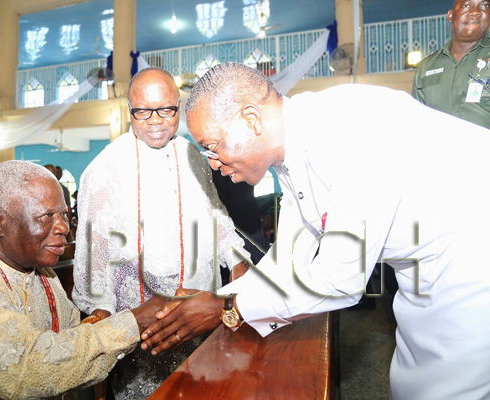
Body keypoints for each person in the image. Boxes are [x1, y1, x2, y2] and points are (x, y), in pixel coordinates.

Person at [140, 62, 490, 400]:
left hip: (474, 254)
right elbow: (287, 261)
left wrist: (226, 307)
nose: (213, 163)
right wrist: (215, 299)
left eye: (212, 146)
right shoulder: (294, 148)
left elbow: (340, 280)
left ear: (251, 119)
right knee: (412, 382)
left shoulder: (349, 131)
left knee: (448, 388)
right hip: (425, 264)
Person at [0, 160, 174, 400]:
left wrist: (97, 324)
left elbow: (62, 337)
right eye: (47, 216)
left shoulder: (38, 270)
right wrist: (133, 322)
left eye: (64, 214)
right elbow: (22, 369)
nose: (63, 227)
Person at [73, 67, 250, 399]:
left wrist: (236, 258)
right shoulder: (104, 167)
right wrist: (102, 313)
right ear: (130, 111)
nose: (155, 120)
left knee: (200, 388)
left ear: (179, 107)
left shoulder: (192, 156)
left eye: (166, 109)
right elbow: (92, 249)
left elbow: (216, 214)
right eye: (143, 111)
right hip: (142, 318)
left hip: (197, 305)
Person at [412, 0, 490, 129]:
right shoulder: (426, 67)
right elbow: (417, 122)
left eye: (484, 6)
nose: (476, 12)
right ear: (450, 15)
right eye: (466, 5)